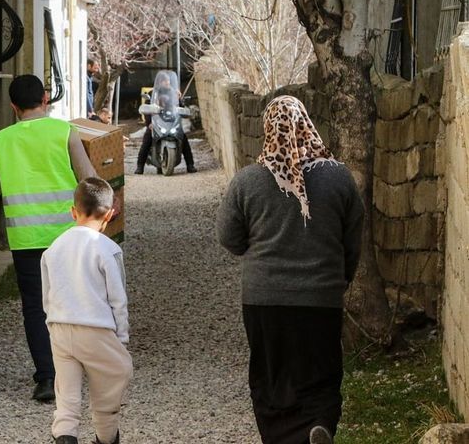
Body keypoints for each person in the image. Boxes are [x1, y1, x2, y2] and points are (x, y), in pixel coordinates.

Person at [216, 95, 364, 444]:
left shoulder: (247, 181)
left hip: (264, 299)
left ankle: (280, 437)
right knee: (322, 375)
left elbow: (228, 237)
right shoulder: (339, 178)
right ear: (306, 125)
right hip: (321, 297)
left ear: (267, 130)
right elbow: (352, 240)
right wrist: (338, 280)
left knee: (270, 375)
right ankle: (319, 425)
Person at [0, 75, 97, 403]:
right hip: (67, 235)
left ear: (13, 107)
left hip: (25, 238)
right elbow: (90, 179)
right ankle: (75, 371)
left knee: (36, 307)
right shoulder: (64, 132)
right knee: (72, 301)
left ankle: (46, 377)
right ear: (45, 99)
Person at [41, 177, 132, 444]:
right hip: (96, 329)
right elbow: (118, 299)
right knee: (108, 390)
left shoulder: (53, 248)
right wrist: (121, 340)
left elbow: (47, 294)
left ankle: (65, 436)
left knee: (67, 398)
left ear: (73, 211)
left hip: (60, 327)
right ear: (110, 214)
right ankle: (106, 438)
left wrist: (52, 323)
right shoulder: (108, 249)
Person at [134, 71, 196, 175]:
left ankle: (190, 165)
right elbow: (147, 111)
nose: (167, 82)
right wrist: (149, 123)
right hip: (156, 121)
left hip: (171, 120)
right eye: (164, 81)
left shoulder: (173, 92)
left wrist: (180, 99)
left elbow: (179, 107)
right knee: (147, 140)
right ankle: (140, 166)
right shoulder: (152, 94)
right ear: (159, 82)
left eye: (168, 80)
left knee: (183, 138)